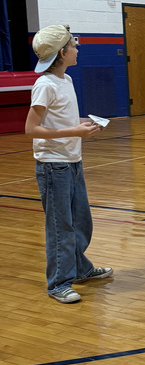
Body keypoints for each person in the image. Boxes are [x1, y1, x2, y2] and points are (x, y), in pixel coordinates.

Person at [25, 24, 113, 304]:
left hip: (72, 161)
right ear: (63, 52)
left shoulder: (67, 80)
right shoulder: (44, 85)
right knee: (60, 225)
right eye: (73, 46)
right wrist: (74, 132)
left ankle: (80, 269)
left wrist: (81, 125)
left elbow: (60, 122)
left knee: (81, 221)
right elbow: (31, 128)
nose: (78, 49)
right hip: (53, 166)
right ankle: (58, 283)